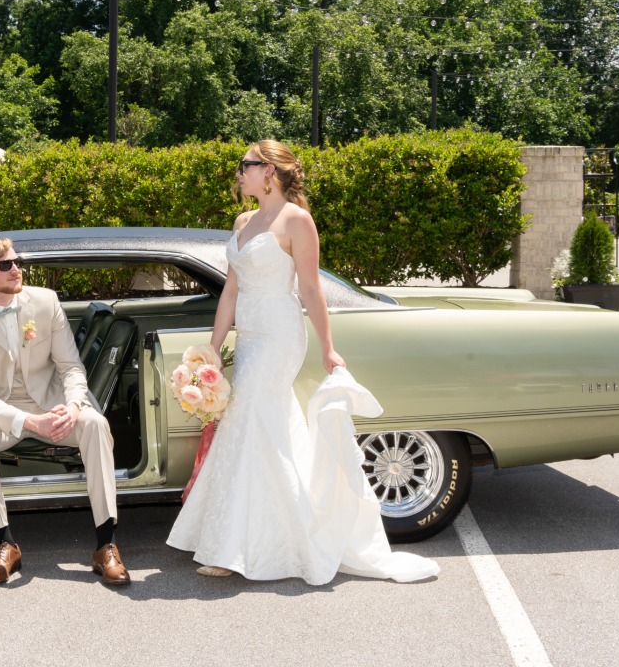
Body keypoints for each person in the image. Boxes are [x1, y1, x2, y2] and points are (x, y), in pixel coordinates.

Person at [166, 140, 440, 585]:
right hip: (250, 337)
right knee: (256, 426)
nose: (239, 173)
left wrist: (328, 347)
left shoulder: (298, 221)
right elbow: (231, 291)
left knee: (252, 419)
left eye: (246, 165)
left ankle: (239, 546)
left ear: (269, 171)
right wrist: (212, 349)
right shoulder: (243, 221)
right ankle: (253, 536)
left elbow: (311, 290)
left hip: (279, 335)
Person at [0, 237, 129, 587]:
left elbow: (71, 367)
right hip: (4, 415)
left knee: (95, 424)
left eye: (16, 262)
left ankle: (105, 544)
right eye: (5, 265)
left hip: (54, 405)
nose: (15, 269)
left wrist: (74, 407)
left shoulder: (45, 302)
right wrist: (30, 422)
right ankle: (5, 543)